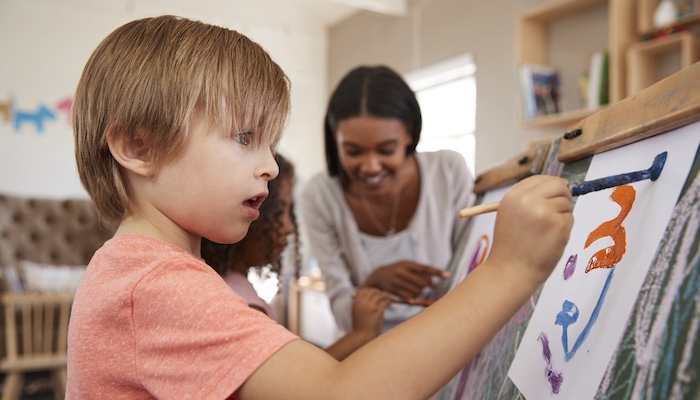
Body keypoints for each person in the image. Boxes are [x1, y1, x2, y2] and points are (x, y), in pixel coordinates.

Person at [67, 15, 574, 399]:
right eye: (244, 137)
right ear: (139, 147)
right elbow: (340, 393)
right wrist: (512, 268)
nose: (268, 165)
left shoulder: (147, 273)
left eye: (270, 144)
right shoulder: (154, 286)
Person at [301, 65, 477, 333]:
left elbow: (474, 271)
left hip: (450, 337)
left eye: (386, 149)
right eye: (353, 151)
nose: (371, 166)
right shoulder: (319, 196)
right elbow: (342, 314)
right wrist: (373, 282)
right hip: (371, 354)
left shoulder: (448, 171)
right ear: (335, 140)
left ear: (409, 133)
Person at [201, 153, 392, 361]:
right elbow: (294, 383)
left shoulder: (222, 284)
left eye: (290, 213)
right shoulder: (246, 308)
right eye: (279, 212)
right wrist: (361, 335)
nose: (289, 228)